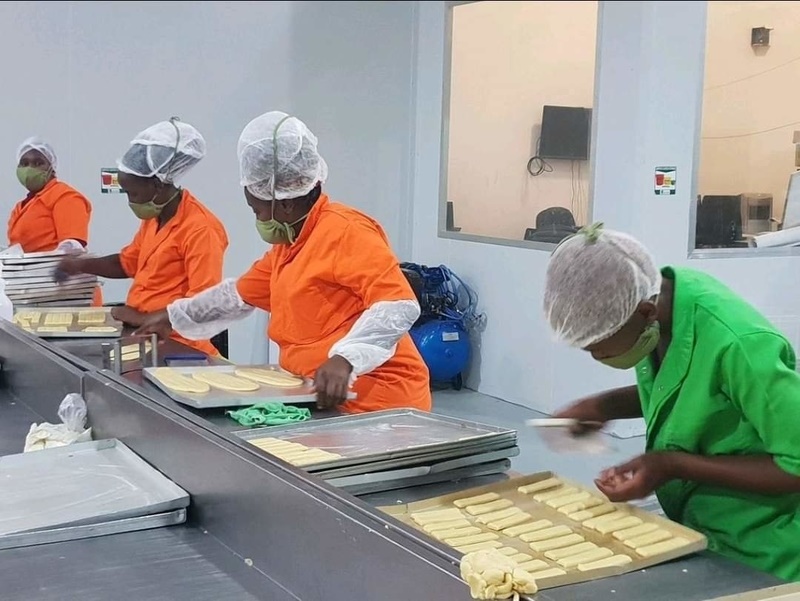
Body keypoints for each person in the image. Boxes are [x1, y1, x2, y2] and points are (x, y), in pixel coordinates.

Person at [544, 223, 800, 581]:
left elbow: (796, 465)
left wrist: (671, 464)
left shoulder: (741, 345)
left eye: (597, 346)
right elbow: (693, 389)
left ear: (645, 313)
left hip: (764, 551)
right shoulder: (664, 310)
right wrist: (605, 407)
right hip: (699, 530)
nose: (595, 356)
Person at [136, 111, 430, 413]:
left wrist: (346, 359)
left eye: (257, 210)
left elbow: (397, 304)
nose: (258, 219)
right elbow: (235, 297)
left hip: (379, 401)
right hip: (321, 395)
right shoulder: (289, 247)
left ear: (285, 202)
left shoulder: (346, 231)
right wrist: (171, 317)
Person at [56, 118, 228, 356]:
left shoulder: (201, 229)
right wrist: (77, 265)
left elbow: (204, 305)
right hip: (143, 336)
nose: (130, 201)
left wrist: (141, 316)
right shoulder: (154, 218)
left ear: (157, 185)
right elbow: (127, 262)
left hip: (181, 348)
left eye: (133, 193)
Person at [8, 137, 93, 255]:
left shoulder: (65, 197)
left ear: (52, 168)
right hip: (23, 271)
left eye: (38, 163)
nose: (29, 169)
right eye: (24, 163)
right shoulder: (20, 207)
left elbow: (72, 247)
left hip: (50, 271)